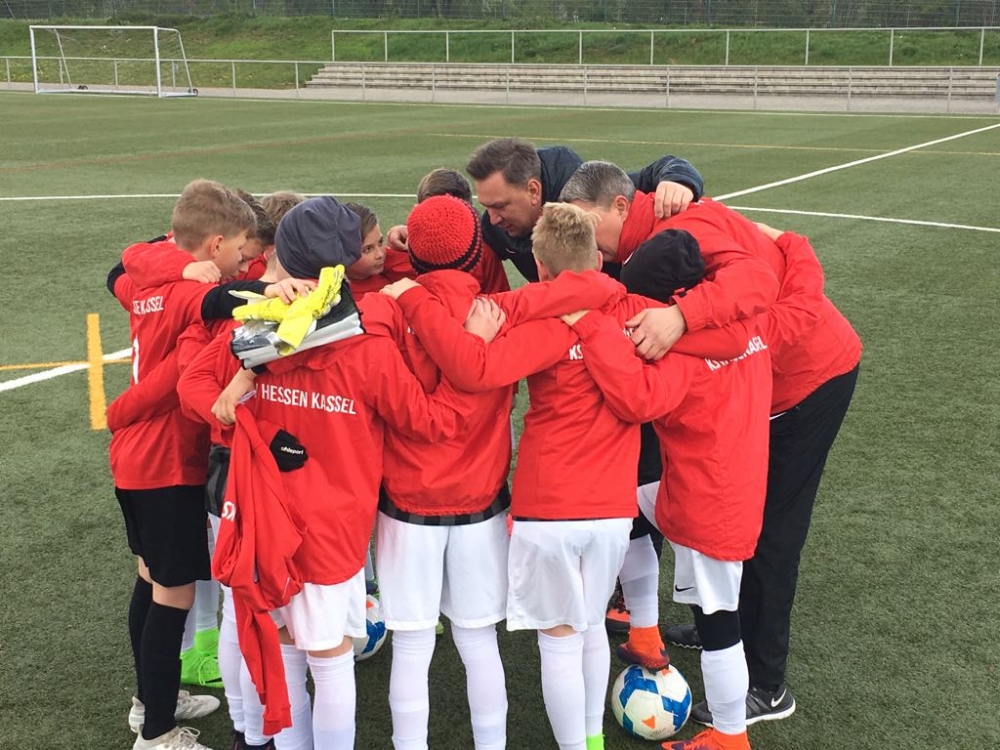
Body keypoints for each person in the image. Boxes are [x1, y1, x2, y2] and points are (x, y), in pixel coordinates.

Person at [381, 203, 744, 750]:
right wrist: (675, 325)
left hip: (546, 508)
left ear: (539, 267)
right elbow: (730, 341)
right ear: (598, 259)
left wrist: (412, 296)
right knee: (591, 626)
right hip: (612, 509)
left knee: (558, 643)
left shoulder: (536, 321)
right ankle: (591, 743)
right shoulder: (637, 316)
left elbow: (475, 368)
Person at [562, 160, 862, 726]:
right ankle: (723, 627)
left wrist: (680, 318)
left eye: (585, 221)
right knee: (722, 519)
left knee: (771, 532)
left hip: (807, 380)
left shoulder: (684, 232)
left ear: (620, 206)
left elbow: (757, 285)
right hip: (759, 376)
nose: (583, 236)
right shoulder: (658, 238)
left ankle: (767, 686)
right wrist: (793, 244)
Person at [176, 195, 478, 750]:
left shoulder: (255, 326)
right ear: (346, 259)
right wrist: (473, 355)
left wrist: (240, 417)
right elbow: (429, 422)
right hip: (333, 530)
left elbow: (193, 387)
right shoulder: (368, 343)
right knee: (331, 659)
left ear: (284, 254)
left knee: (286, 650)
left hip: (268, 520)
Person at [107, 179, 308, 750]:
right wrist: (273, 291)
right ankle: (156, 732)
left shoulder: (147, 282)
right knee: (173, 594)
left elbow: (123, 265)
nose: (244, 259)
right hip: (166, 460)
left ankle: (153, 698)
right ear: (215, 243)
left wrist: (170, 260)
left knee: (151, 580)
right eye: (239, 248)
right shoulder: (187, 293)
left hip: (137, 459)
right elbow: (222, 302)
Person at [358, 194, 515, 750]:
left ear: (413, 255)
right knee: (478, 641)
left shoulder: (382, 311)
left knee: (412, 644)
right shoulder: (499, 313)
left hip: (406, 500)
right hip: (481, 499)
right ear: (476, 253)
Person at [386, 138, 704, 284]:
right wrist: (417, 232)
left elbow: (657, 170)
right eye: (486, 207)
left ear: (533, 190)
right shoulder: (495, 227)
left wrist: (679, 180)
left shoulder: (586, 194)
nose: (492, 218)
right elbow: (461, 241)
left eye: (500, 206)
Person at [343, 202, 414, 297]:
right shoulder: (342, 299)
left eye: (380, 242)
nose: (380, 254)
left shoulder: (391, 263)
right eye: (367, 249)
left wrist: (412, 236)